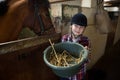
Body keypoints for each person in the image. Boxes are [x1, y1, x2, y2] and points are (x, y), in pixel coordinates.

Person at [61, 13, 91, 80]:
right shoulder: (65, 38)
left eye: (81, 27)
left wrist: (86, 54)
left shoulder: (86, 41)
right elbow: (62, 55)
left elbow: (87, 61)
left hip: (79, 75)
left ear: (84, 28)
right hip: (66, 73)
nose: (78, 29)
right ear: (71, 26)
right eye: (76, 26)